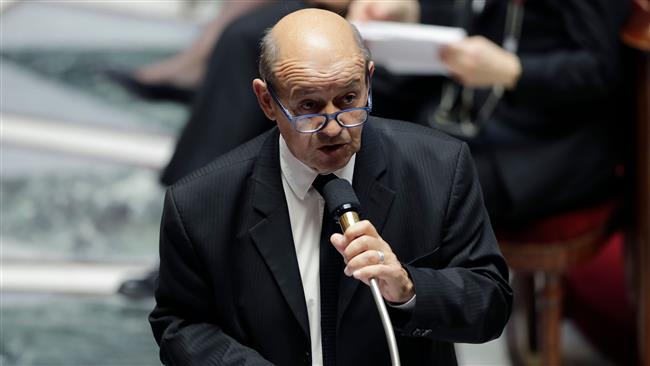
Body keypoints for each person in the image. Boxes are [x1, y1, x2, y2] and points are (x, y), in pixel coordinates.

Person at [149, 8, 512, 366]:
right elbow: (180, 326)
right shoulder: (201, 203)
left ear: (368, 80)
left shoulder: (439, 168)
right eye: (309, 106)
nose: (333, 126)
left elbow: (490, 302)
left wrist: (408, 289)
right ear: (266, 101)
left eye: (348, 100)